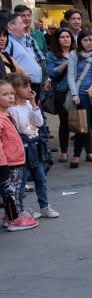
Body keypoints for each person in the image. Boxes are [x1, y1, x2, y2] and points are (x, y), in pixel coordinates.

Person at [7, 73, 58, 219]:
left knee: (41, 178)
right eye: (25, 86)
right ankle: (21, 209)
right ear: (15, 90)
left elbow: (40, 123)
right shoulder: (12, 110)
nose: (29, 89)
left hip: (35, 146)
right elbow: (20, 128)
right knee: (21, 181)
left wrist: (34, 104)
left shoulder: (29, 104)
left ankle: (44, 206)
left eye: (29, 85)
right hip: (23, 147)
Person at [67, 27, 92, 167]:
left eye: (91, 40)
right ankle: (77, 155)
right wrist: (74, 94)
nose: (88, 43)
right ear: (80, 41)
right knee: (82, 126)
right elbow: (71, 76)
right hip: (82, 94)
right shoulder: (74, 54)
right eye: (85, 40)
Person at [0, 78, 38, 231]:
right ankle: (13, 220)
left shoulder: (8, 114)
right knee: (11, 192)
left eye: (11, 93)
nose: (10, 97)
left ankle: (11, 216)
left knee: (14, 191)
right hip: (8, 163)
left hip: (16, 159)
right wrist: (3, 165)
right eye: (5, 94)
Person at [46, 29, 73, 162]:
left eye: (68, 36)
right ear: (57, 40)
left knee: (81, 120)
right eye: (62, 37)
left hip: (78, 91)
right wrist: (66, 63)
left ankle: (86, 152)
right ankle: (64, 151)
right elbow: (51, 73)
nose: (66, 39)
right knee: (64, 122)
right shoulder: (52, 55)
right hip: (61, 91)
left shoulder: (77, 53)